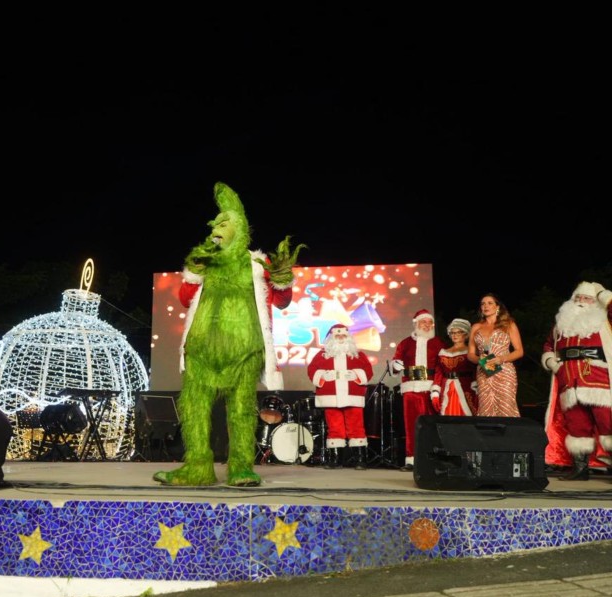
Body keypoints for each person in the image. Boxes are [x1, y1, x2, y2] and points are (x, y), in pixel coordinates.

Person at [152, 182, 304, 487]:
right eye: (215, 224)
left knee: (241, 409)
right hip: (201, 351)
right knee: (194, 406)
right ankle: (197, 466)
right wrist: (193, 270)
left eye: (223, 223)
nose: (215, 229)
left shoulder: (257, 264)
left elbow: (282, 300)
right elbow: (184, 297)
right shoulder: (207, 260)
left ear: (240, 227)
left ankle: (241, 467)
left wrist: (283, 279)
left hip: (243, 352)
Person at [541, 281, 612, 481]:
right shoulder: (562, 324)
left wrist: (604, 294)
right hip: (569, 380)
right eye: (578, 298)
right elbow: (548, 345)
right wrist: (552, 363)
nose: (581, 302)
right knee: (577, 425)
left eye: (587, 298)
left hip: (600, 380)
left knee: (608, 423)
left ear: (595, 302)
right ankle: (581, 469)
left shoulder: (605, 319)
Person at [308, 323, 373, 470]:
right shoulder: (322, 354)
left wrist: (356, 374)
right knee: (335, 427)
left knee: (356, 427)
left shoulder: (358, 354)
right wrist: (323, 375)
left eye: (343, 335)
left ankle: (360, 459)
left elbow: (368, 371)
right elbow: (312, 370)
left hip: (352, 396)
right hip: (331, 396)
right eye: (337, 335)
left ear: (348, 336)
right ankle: (335, 459)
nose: (341, 337)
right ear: (332, 337)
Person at [389, 308, 445, 472]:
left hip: (430, 389)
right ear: (416, 323)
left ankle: (431, 458)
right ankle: (411, 459)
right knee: (411, 425)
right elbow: (396, 362)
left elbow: (441, 368)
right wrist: (396, 365)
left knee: (431, 425)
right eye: (424, 322)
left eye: (430, 322)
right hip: (411, 389)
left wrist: (436, 388)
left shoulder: (438, 343)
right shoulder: (405, 343)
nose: (427, 325)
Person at [467, 293, 524, 417]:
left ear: (497, 306)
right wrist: (478, 359)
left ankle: (511, 436)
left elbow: (519, 351)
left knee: (506, 408)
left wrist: (501, 359)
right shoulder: (476, 327)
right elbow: (470, 354)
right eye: (483, 304)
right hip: (484, 372)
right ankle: (487, 436)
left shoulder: (508, 324)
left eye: (490, 303)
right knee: (486, 409)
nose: (485, 306)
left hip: (504, 371)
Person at [430, 318, 478, 417]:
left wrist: (477, 389)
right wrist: (435, 392)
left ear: (465, 334)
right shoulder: (443, 352)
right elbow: (438, 373)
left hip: (466, 388)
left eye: (458, 332)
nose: (455, 335)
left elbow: (476, 371)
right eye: (452, 333)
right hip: (446, 389)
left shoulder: (471, 352)